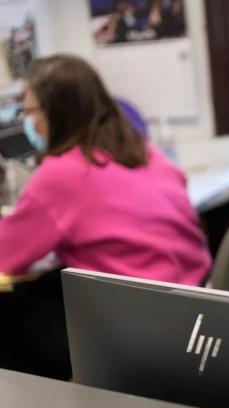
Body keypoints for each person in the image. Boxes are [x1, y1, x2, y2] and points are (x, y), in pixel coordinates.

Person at [0, 54, 211, 286]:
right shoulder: (143, 150)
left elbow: (7, 254)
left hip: (143, 311)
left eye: (30, 112)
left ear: (54, 115)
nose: (28, 123)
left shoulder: (60, 175)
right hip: (198, 297)